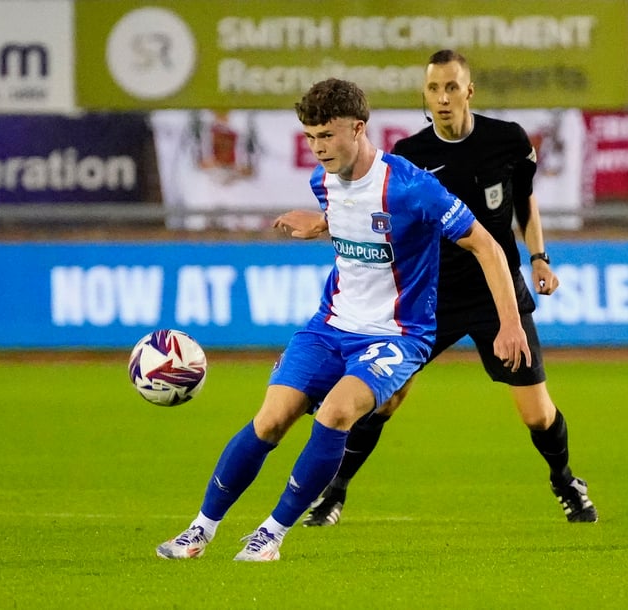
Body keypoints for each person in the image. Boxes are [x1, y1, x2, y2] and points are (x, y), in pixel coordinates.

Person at [156, 77, 531, 562]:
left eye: (327, 135)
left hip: (397, 335)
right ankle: (199, 531)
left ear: (359, 127)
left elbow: (485, 244)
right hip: (329, 326)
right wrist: (321, 224)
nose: (318, 148)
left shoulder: (414, 187)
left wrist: (511, 323)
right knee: (270, 420)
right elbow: (353, 217)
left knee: (335, 413)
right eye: (310, 137)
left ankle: (270, 535)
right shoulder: (323, 182)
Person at [285, 50, 598, 528]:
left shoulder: (508, 141)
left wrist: (539, 258)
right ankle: (335, 492)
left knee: (536, 414)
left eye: (452, 87)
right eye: (434, 89)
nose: (443, 98)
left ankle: (565, 480)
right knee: (383, 399)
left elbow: (525, 204)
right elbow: (376, 217)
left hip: (495, 290)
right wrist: (325, 226)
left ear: (468, 91)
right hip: (428, 295)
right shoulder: (411, 155)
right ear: (425, 95)